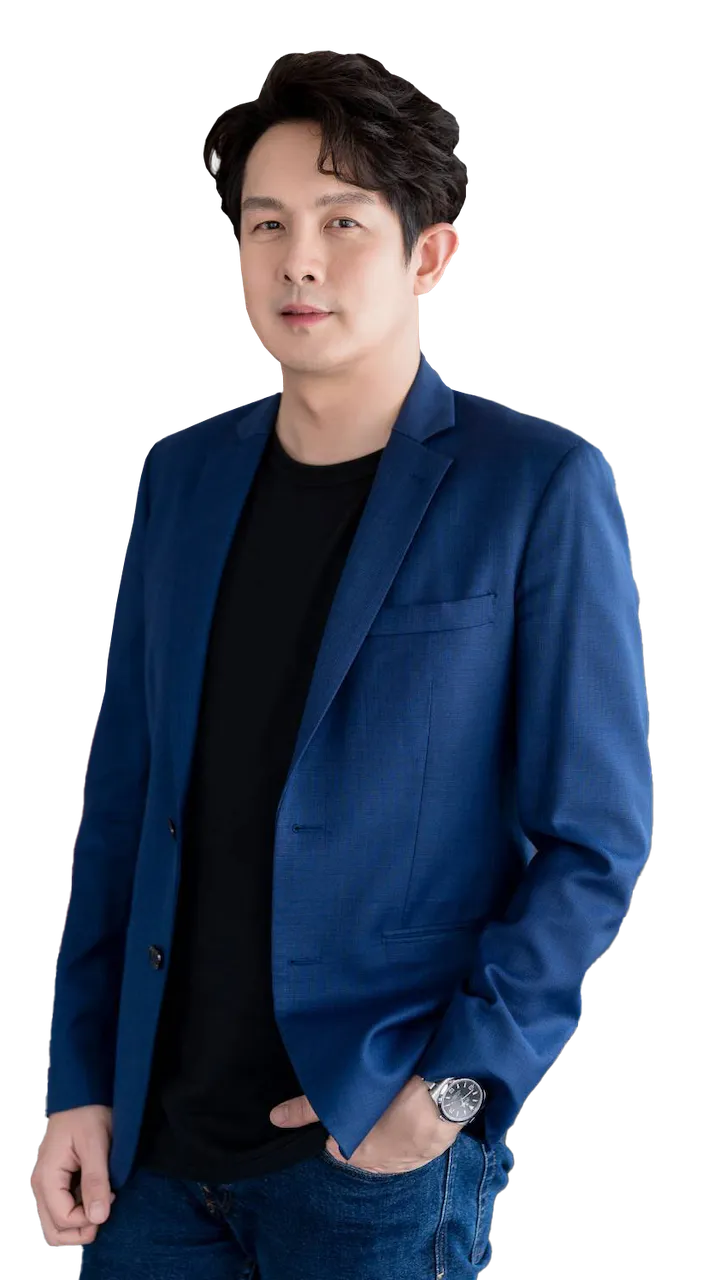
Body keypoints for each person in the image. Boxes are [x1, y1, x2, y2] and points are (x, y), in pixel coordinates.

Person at [31, 49, 652, 1277]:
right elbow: (125, 808)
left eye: (343, 221)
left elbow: (594, 838)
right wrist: (79, 1080)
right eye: (268, 224)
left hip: (370, 1153)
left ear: (433, 254)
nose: (298, 260)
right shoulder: (182, 478)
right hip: (153, 1155)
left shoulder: (535, 485)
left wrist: (454, 1087)